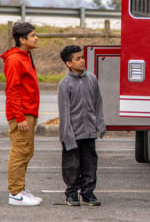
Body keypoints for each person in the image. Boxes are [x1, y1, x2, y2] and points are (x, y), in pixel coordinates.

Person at [58, 45, 106, 206]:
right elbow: (64, 113)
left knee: (90, 163)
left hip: (89, 132)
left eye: (82, 57)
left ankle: (87, 193)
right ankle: (71, 193)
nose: (82, 61)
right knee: (71, 165)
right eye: (77, 59)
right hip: (72, 134)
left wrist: (99, 125)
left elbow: (98, 102)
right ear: (68, 63)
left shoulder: (92, 78)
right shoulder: (65, 84)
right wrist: (68, 137)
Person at [1, 21, 42, 206]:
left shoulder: (25, 55)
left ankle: (20, 189)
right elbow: (12, 90)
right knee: (19, 152)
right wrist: (19, 117)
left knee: (26, 151)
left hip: (28, 111)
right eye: (33, 35)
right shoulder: (15, 59)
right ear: (23, 39)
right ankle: (15, 194)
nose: (36, 38)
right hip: (22, 113)